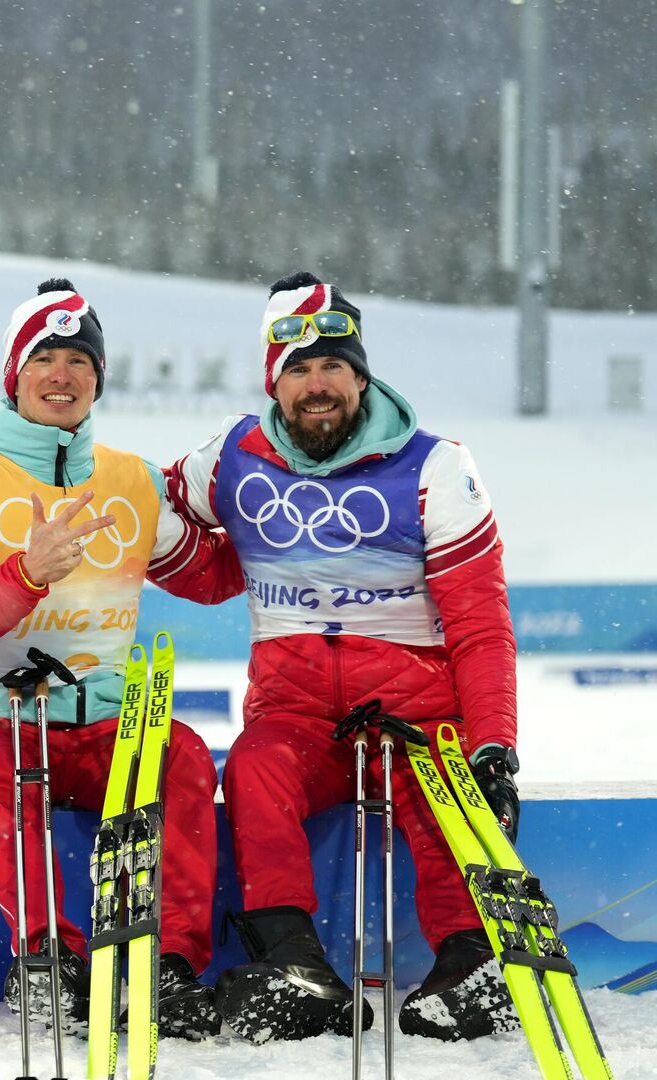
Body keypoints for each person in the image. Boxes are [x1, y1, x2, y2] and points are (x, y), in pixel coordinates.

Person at [167, 271, 522, 1042]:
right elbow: (157, 524)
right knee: (255, 768)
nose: (317, 385)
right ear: (275, 382)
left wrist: (496, 745)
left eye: (334, 366)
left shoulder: (436, 467)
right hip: (296, 718)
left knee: (445, 799)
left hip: (414, 714)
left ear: (362, 376)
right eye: (298, 370)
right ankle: (295, 964)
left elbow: (481, 626)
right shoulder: (232, 454)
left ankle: (470, 960)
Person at [0, 278, 244, 1041]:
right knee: (0, 774)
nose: (63, 374)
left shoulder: (134, 483)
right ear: (12, 376)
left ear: (99, 378)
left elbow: (214, 576)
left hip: (106, 714)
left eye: (80, 360)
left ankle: (169, 967)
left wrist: (256, 472)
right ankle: (49, 956)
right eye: (45, 357)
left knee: (182, 755)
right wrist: (26, 575)